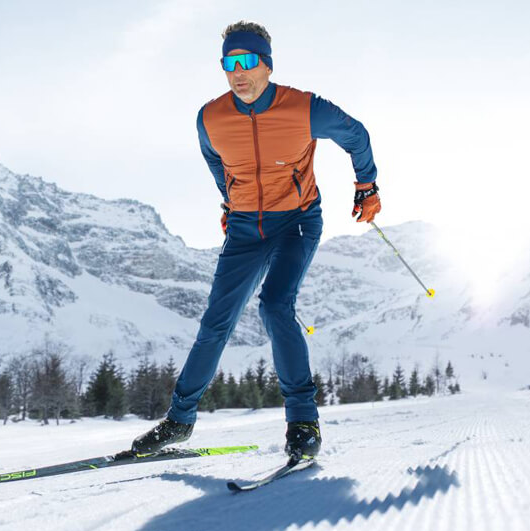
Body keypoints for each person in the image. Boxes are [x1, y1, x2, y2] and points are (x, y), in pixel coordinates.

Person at [131, 20, 381, 461]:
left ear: (266, 65)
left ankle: (303, 422)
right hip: (246, 228)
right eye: (229, 63)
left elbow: (356, 135)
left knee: (274, 305)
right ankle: (179, 421)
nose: (237, 71)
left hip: (297, 221)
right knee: (216, 322)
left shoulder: (305, 108)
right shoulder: (210, 117)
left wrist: (367, 186)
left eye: (246, 61)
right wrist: (230, 203)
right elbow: (215, 160)